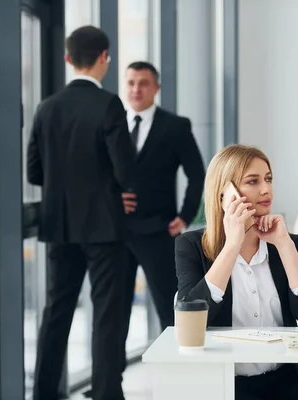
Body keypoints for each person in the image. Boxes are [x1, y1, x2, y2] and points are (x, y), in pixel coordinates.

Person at [175, 144, 298, 400]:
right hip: (225, 384)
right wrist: (231, 246)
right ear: (225, 195)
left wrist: (284, 244)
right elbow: (190, 320)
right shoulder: (191, 245)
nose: (266, 189)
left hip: (285, 380)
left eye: (268, 179)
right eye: (252, 181)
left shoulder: (290, 243)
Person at [27, 26, 135, 400]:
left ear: (67, 59)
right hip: (105, 226)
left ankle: (42, 392)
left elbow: (34, 172)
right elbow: (125, 170)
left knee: (56, 312)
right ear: (105, 57)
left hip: (59, 225)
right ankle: (106, 393)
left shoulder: (47, 107)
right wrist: (118, 190)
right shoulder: (109, 105)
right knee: (106, 313)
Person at [120, 62, 205, 363]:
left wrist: (185, 216)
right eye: (130, 82)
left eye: (143, 83)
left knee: (169, 306)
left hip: (158, 231)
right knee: (114, 312)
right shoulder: (113, 124)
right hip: (116, 231)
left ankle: (180, 372)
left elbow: (197, 174)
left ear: (156, 88)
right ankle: (109, 384)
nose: (136, 89)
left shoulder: (175, 126)